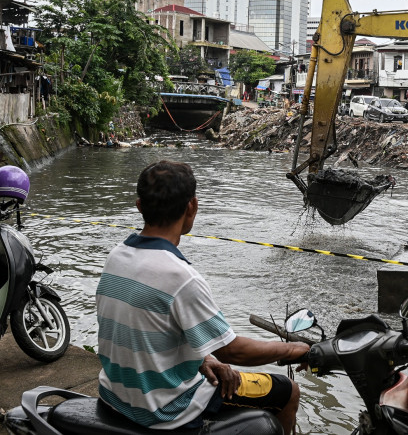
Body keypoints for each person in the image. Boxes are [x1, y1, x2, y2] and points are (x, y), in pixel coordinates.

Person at [96, 161, 309, 433]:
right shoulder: (181, 277)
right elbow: (232, 350)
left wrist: (206, 359)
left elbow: (149, 332)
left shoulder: (116, 257)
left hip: (115, 397)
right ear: (192, 207)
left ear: (139, 206)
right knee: (288, 390)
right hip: (164, 410)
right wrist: (297, 349)